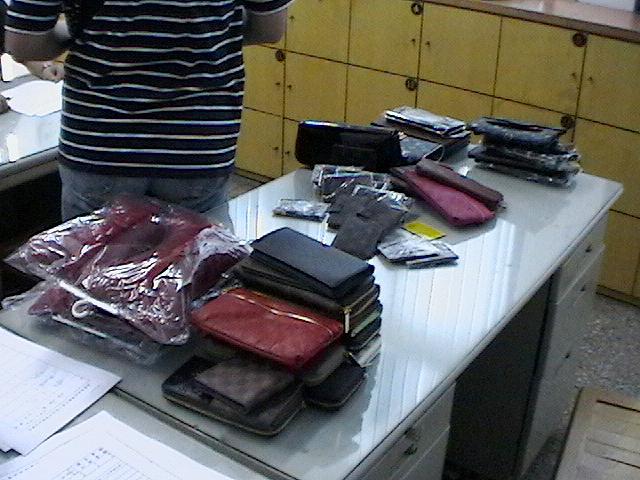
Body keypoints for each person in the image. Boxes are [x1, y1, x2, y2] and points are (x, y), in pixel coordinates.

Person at [5, 0, 293, 220]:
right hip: (197, 144)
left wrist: (81, 31)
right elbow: (269, 29)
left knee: (93, 268)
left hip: (101, 143)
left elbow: (24, 44)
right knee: (193, 266)